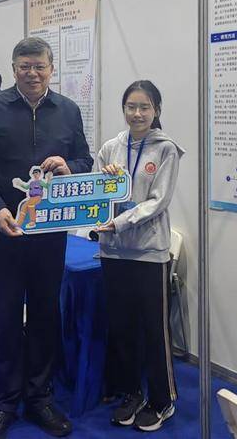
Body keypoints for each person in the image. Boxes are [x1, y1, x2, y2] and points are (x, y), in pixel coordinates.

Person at [0, 37, 92, 439]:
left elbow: (85, 160)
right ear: (14, 68)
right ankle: (3, 403)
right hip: (5, 232)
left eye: (39, 66)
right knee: (4, 316)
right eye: (25, 66)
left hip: (50, 234)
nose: (32, 73)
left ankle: (39, 398)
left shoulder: (68, 110)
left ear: (52, 69)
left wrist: (69, 167)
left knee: (45, 315)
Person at [93, 80, 183, 432]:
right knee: (122, 326)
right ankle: (131, 393)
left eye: (145, 107)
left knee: (154, 329)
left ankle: (162, 399)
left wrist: (119, 222)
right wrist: (104, 192)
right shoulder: (110, 148)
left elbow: (158, 201)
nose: (137, 113)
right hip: (113, 252)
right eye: (131, 106)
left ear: (156, 110)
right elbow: (98, 194)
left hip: (149, 253)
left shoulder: (166, 149)